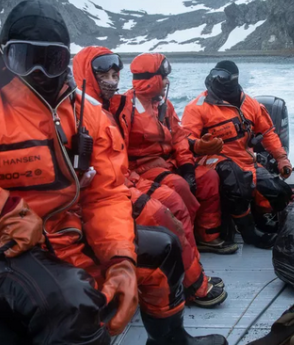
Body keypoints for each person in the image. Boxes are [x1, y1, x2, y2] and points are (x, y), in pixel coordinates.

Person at [0, 1, 228, 345]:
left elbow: (104, 195)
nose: (40, 72)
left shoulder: (88, 115)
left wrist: (120, 259)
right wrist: (0, 209)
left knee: (162, 248)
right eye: (26, 59)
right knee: (70, 303)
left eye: (52, 60)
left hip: (61, 234)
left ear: (66, 62)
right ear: (2, 55)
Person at [72, 46, 229, 308]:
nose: (113, 82)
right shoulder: (112, 108)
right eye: (105, 76)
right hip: (118, 184)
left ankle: (199, 250)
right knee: (171, 201)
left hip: (124, 181)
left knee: (201, 182)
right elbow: (114, 160)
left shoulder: (150, 107)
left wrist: (193, 157)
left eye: (115, 76)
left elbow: (178, 137)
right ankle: (193, 282)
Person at [119, 53, 238, 254]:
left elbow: (179, 138)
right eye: (163, 77)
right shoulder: (124, 108)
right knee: (180, 186)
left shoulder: (164, 106)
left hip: (169, 164)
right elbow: (118, 151)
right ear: (151, 79)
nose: (167, 82)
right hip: (142, 168)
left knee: (208, 177)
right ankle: (184, 245)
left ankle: (208, 236)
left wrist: (188, 167)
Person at [182, 60, 293, 249]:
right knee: (234, 176)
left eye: (222, 77)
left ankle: (262, 219)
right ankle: (249, 233)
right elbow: (185, 139)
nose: (217, 80)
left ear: (233, 80)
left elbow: (267, 133)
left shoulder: (250, 103)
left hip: (244, 159)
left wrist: (281, 158)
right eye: (215, 75)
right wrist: (201, 145)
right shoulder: (197, 107)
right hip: (212, 159)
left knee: (280, 192)